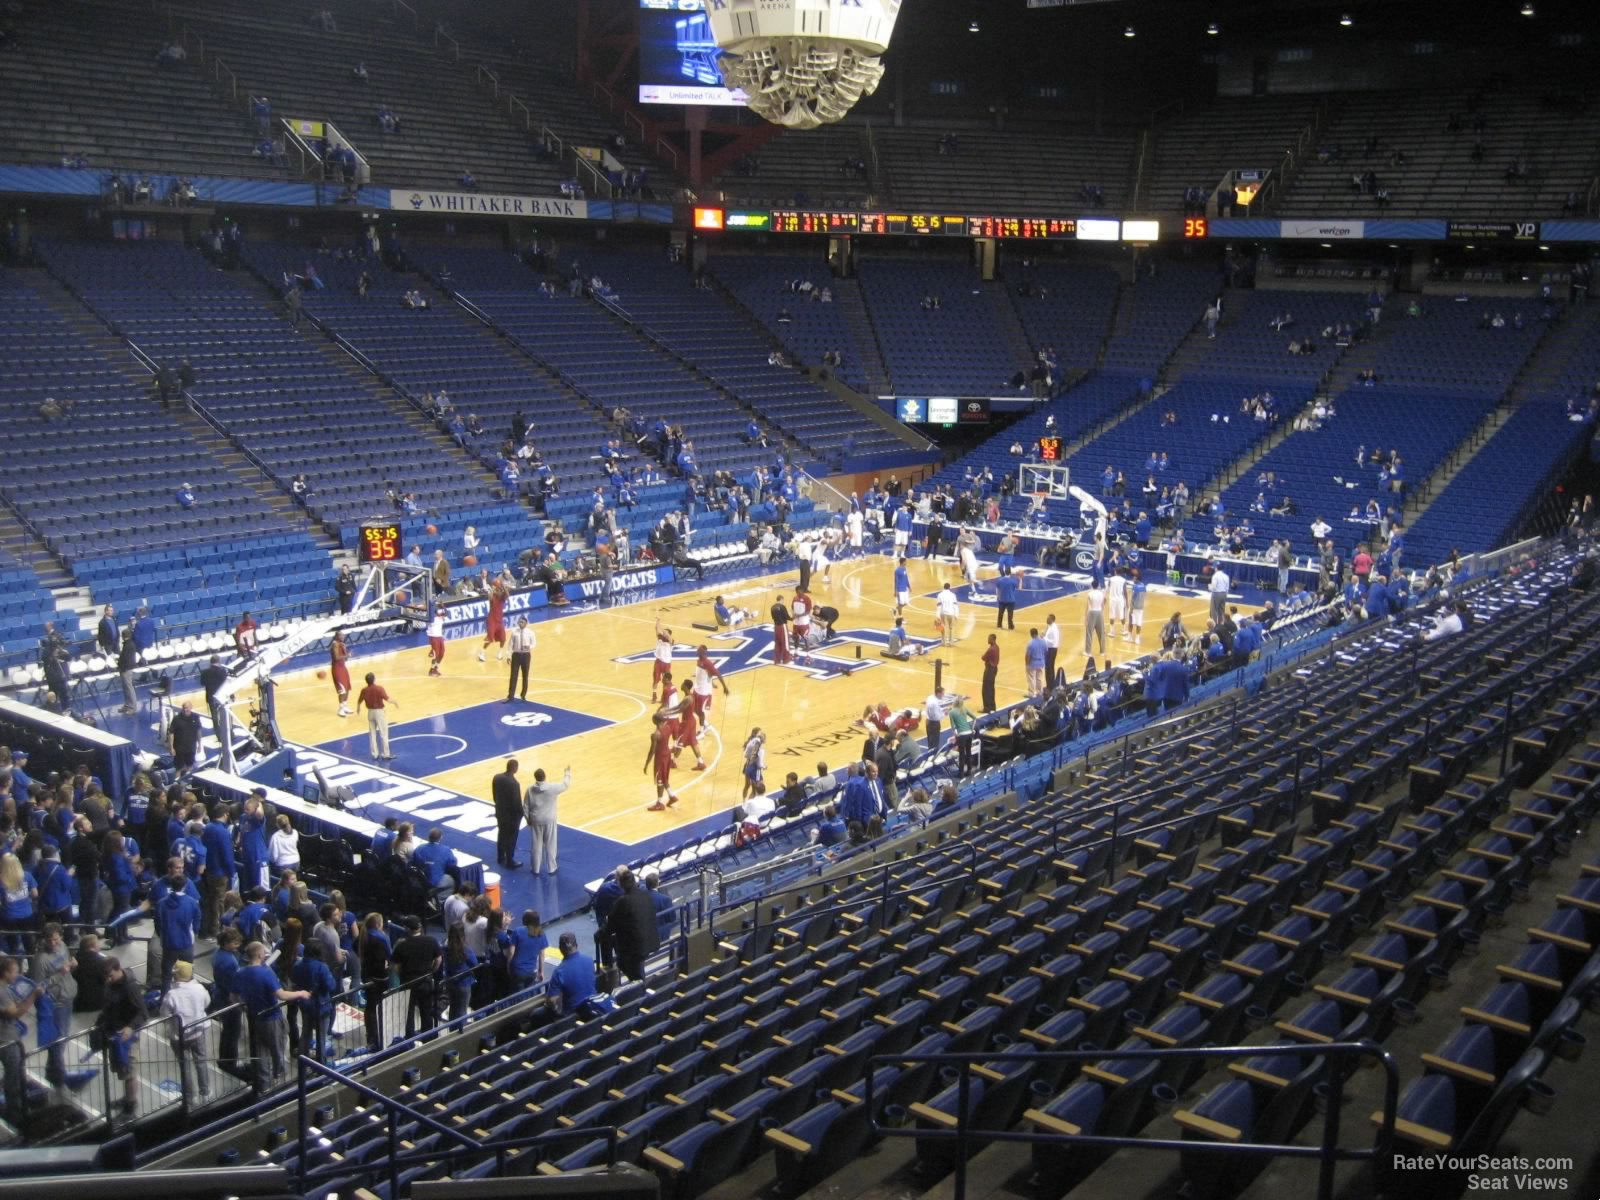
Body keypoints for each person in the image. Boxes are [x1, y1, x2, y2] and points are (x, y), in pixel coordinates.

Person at [234, 941, 308, 1091]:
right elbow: (281, 995)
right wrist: (300, 993)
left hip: (255, 1018)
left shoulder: (240, 973)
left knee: (261, 1053)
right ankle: (280, 1080)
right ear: (260, 955)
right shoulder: (266, 973)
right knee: (278, 1050)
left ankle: (265, 1086)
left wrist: (247, 1005)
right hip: (272, 1018)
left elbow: (234, 997)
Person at [159, 960, 213, 1101]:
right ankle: (205, 1091)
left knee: (185, 1066)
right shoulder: (200, 989)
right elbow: (207, 1002)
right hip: (198, 1032)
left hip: (179, 1037)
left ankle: (190, 1096)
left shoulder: (171, 995)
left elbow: (165, 1014)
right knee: (200, 1061)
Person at [30, 924, 75, 1087]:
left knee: (61, 1039)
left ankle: (51, 1072)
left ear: (61, 937)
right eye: (50, 940)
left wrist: (71, 966)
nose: (53, 943)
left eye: (56, 939)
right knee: (58, 1042)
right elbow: (38, 988)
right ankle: (60, 1078)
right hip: (55, 1004)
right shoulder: (40, 960)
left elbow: (66, 967)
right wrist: (60, 974)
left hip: (68, 997)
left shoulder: (63, 947)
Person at [601, 868, 660, 983]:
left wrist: (600, 934)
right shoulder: (645, 894)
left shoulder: (623, 901)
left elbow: (611, 925)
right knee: (636, 968)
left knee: (627, 966)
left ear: (621, 884)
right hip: (650, 940)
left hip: (635, 948)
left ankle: (640, 992)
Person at [392, 917, 442, 1036]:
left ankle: (410, 1040)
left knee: (408, 1014)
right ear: (419, 927)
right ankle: (428, 1038)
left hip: (408, 983)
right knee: (426, 1011)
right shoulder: (431, 940)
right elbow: (438, 959)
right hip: (425, 981)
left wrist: (402, 974)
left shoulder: (401, 945)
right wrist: (431, 971)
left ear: (407, 929)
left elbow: (394, 966)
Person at [524, 766, 570, 875]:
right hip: (549, 820)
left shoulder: (530, 789)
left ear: (535, 777)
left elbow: (525, 806)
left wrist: (528, 819)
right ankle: (552, 868)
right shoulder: (552, 788)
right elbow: (565, 785)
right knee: (550, 844)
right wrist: (567, 773)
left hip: (535, 820)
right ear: (545, 776)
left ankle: (535, 868)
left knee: (536, 845)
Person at [548, 932, 595, 1015]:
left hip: (574, 1015)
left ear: (560, 949)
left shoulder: (558, 972)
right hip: (593, 1007)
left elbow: (552, 1000)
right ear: (576, 945)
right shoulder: (589, 960)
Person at [355, 671, 396, 760]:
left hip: (370, 712)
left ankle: (375, 754)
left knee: (372, 734)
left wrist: (358, 708)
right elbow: (387, 699)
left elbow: (359, 700)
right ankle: (386, 754)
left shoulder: (364, 690)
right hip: (379, 712)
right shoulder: (379, 688)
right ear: (374, 679)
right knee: (384, 733)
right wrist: (395, 702)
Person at [491, 759, 523, 869]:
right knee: (511, 838)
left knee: (501, 834)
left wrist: (499, 806)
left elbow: (494, 795)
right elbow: (517, 803)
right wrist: (521, 814)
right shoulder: (514, 783)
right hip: (511, 817)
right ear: (515, 768)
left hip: (500, 812)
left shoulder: (497, 777)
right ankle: (510, 860)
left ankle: (500, 857)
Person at [507, 910, 548, 992]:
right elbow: (542, 955)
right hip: (532, 972)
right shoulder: (541, 933)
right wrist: (541, 971)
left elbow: (511, 953)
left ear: (525, 920)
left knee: (518, 996)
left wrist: (508, 966)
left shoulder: (518, 931)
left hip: (517, 971)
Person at [167, 700, 203, 774]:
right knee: (178, 768)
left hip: (191, 748)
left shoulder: (196, 717)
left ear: (191, 708)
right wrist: (171, 747)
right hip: (179, 748)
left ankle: (185, 781)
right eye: (183, 708)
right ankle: (176, 783)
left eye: (187, 708)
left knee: (189, 766)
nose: (185, 709)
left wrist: (199, 745)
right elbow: (171, 733)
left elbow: (198, 731)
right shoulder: (176, 719)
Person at [506, 616, 535, 702]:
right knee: (513, 676)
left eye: (522, 622)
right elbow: (510, 645)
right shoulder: (514, 632)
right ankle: (510, 695)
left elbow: (534, 643)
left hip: (526, 655)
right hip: (516, 655)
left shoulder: (530, 633)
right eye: (519, 622)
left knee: (525, 676)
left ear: (526, 623)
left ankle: (523, 695)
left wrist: (529, 646)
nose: (520, 623)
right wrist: (508, 656)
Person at [329, 629, 352, 717]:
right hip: (337, 669)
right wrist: (347, 655)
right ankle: (340, 709)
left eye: (343, 635)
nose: (343, 636)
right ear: (337, 636)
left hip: (343, 668)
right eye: (341, 635)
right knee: (342, 690)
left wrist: (348, 656)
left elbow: (344, 659)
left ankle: (345, 706)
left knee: (347, 688)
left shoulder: (342, 644)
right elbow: (336, 658)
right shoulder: (335, 645)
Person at [1024, 628, 1046, 699]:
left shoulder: (1031, 643)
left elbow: (1028, 655)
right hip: (1041, 662)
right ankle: (1039, 692)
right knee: (1039, 678)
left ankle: (1031, 693)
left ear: (1031, 634)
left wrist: (1027, 664)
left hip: (1033, 663)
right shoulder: (1043, 641)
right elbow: (1046, 651)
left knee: (1031, 678)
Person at [981, 634, 1000, 713]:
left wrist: (983, 656)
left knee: (986, 689)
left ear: (993, 639)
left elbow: (983, 657)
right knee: (991, 688)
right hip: (994, 669)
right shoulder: (997, 647)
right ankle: (992, 706)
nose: (988, 639)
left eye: (989, 638)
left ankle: (987, 708)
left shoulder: (991, 649)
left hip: (989, 670)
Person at [1042, 613, 1061, 684]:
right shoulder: (1051, 626)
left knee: (1049, 667)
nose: (1047, 619)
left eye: (1048, 618)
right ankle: (1050, 683)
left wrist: (1043, 638)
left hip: (1051, 649)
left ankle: (1050, 684)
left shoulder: (1053, 629)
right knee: (1049, 667)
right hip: (1051, 649)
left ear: (1052, 620)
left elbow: (1053, 642)